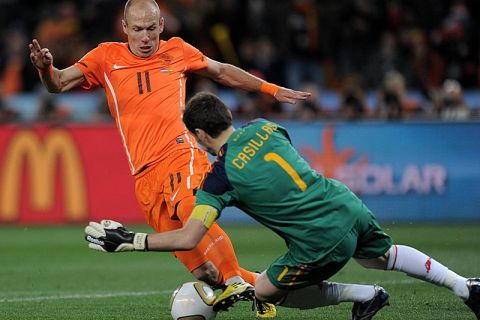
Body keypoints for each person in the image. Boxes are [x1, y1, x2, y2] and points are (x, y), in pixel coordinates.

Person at [85, 91, 480, 319]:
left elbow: (190, 236)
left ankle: (364, 295)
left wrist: (130, 240)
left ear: (200, 134)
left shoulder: (219, 178)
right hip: (344, 203)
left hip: (317, 239)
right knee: (385, 255)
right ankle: (464, 286)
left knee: (264, 291)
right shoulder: (265, 127)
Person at [29, 0, 310, 312]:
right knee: (205, 272)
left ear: (161, 25)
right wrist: (45, 68)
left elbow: (221, 71)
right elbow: (57, 84)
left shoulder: (177, 50)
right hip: (144, 177)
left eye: (152, 29)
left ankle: (236, 280)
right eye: (138, 30)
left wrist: (270, 89)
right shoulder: (105, 57)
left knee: (194, 216)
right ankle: (271, 289)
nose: (146, 37)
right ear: (125, 29)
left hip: (180, 154)